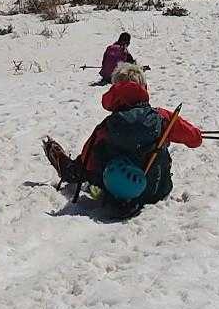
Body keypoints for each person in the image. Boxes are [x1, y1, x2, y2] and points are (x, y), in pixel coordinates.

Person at [43, 63, 202, 211]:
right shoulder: (162, 117)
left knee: (88, 164)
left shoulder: (107, 126)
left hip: (117, 195)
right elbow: (195, 139)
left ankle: (66, 167)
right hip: (157, 191)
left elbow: (87, 161)